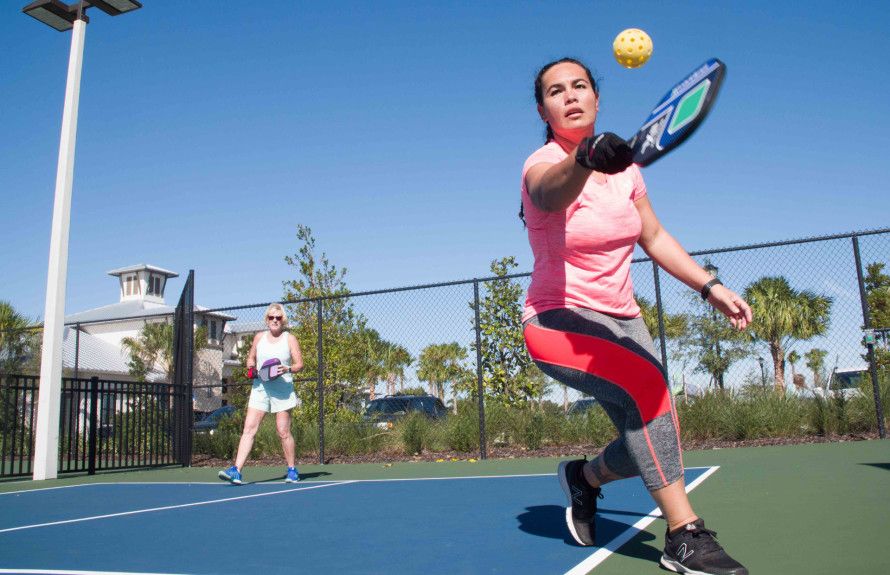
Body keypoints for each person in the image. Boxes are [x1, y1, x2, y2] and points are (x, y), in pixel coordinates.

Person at [520, 57, 753, 575]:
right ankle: (683, 535)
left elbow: (653, 236)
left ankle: (586, 477)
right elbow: (548, 191)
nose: (571, 95)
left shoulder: (627, 170)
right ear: (544, 109)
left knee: (652, 426)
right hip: (558, 321)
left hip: (625, 321)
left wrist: (709, 285)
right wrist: (584, 157)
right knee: (648, 393)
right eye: (556, 91)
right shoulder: (540, 165)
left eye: (580, 86)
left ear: (597, 99)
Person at [219, 303, 304, 485]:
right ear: (267, 320)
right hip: (260, 388)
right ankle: (236, 471)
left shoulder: (290, 339)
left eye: (278, 318)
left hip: (282, 389)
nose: (275, 320)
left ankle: (292, 470)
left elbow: (299, 364)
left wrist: (287, 368)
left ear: (283, 320)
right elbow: (251, 358)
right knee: (249, 429)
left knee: (283, 432)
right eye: (271, 317)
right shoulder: (259, 337)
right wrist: (251, 368)